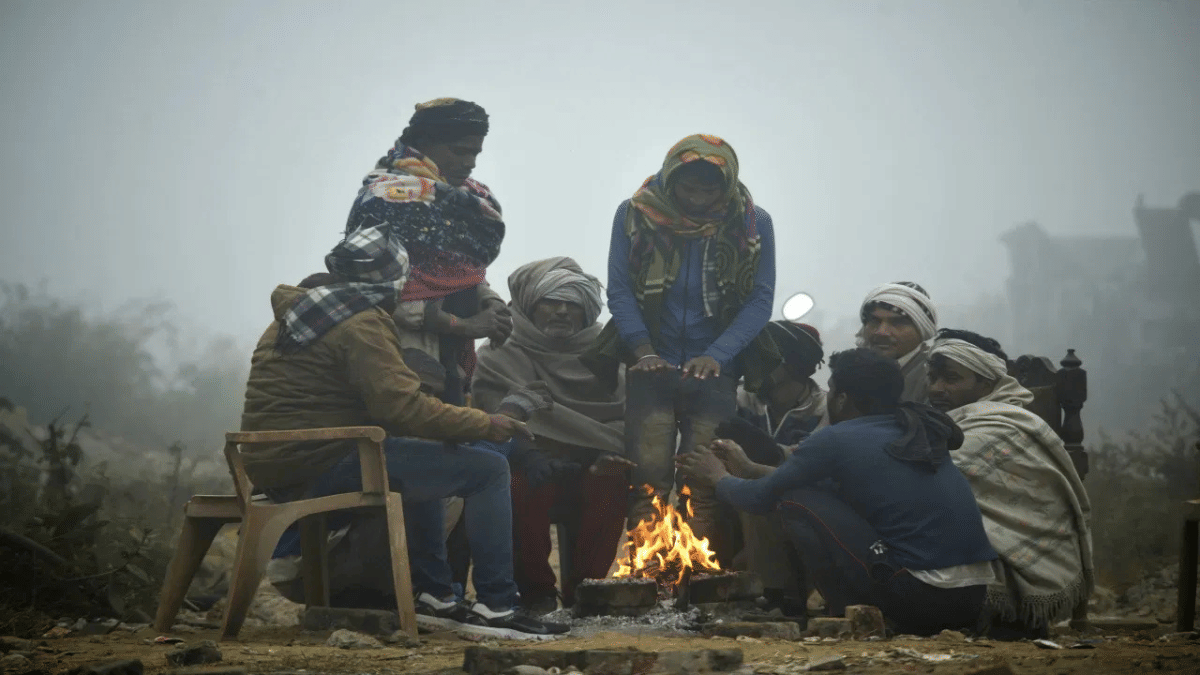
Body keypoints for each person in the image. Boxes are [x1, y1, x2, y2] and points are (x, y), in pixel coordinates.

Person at [239, 225, 566, 639]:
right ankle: (497, 606)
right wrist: (489, 423)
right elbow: (403, 408)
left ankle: (434, 595)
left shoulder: (302, 315)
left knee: (421, 456)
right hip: (320, 464)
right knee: (486, 470)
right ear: (393, 279)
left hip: (275, 464)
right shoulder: (359, 322)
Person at [678, 348, 998, 636]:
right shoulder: (913, 426)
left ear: (842, 398)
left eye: (832, 389)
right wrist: (747, 468)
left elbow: (762, 498)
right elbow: (826, 488)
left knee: (795, 501)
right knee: (806, 494)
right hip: (970, 599)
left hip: (919, 598)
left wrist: (717, 477)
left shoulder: (836, 438)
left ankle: (842, 614)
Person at [584, 134, 779, 558]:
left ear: (725, 186)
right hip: (651, 370)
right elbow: (619, 290)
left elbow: (760, 299)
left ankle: (696, 577)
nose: (697, 199)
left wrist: (719, 355)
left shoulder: (752, 222)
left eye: (709, 190)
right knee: (647, 482)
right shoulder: (635, 214)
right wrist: (642, 350)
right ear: (671, 179)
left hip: (716, 373)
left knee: (704, 482)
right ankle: (646, 573)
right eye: (688, 188)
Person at [472, 257, 634, 613]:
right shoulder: (501, 351)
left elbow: (623, 419)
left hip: (589, 465)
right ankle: (536, 593)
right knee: (514, 482)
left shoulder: (606, 357)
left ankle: (588, 593)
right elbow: (491, 420)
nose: (562, 311)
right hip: (530, 462)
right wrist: (529, 453)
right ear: (531, 305)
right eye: (552, 302)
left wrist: (600, 456)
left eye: (572, 304)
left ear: (587, 311)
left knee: (611, 482)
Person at [344, 97, 512, 405]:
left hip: (452, 352)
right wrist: (468, 325)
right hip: (396, 346)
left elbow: (462, 270)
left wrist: (490, 302)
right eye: (460, 151)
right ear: (425, 144)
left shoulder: (472, 198)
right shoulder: (385, 196)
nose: (470, 162)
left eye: (475, 152)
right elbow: (372, 293)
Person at [927, 329, 1094, 638]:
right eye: (933, 379)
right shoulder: (952, 421)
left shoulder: (1002, 426)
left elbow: (938, 475)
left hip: (1026, 549)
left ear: (987, 384)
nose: (937, 389)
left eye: (951, 379)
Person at [856, 282, 938, 403]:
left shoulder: (934, 378)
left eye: (897, 322)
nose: (881, 332)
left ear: (922, 329)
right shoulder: (855, 368)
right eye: (875, 321)